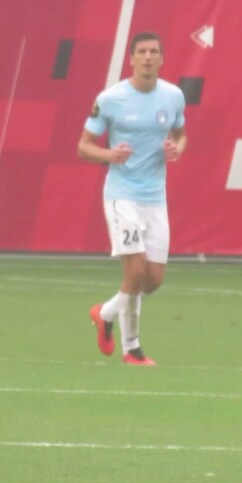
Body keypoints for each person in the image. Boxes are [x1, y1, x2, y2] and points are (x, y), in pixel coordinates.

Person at [78, 31, 187, 366]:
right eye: (142, 52)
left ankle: (105, 313)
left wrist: (176, 148)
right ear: (131, 59)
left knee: (153, 280)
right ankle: (132, 349)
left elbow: (181, 135)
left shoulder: (173, 96)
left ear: (162, 58)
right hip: (121, 195)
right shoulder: (110, 99)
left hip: (155, 198)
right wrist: (109, 154)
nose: (148, 57)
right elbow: (83, 146)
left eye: (154, 51)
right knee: (136, 270)